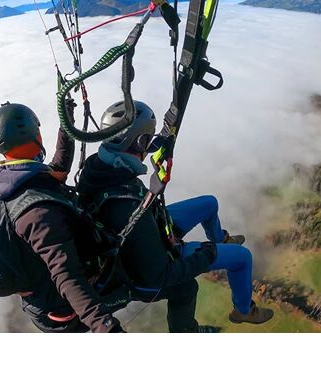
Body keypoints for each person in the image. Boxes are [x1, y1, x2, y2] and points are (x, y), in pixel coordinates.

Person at [76, 100, 274, 328]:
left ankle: (220, 238)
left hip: (149, 226)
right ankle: (243, 310)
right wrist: (207, 255)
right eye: (147, 139)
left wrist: (162, 143)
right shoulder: (126, 210)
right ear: (137, 141)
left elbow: (135, 209)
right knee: (242, 257)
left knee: (209, 203)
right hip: (147, 263)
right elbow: (159, 275)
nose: (148, 145)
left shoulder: (102, 164)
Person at [0, 100, 127, 333]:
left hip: (44, 307)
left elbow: (58, 169)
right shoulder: (37, 213)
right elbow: (68, 276)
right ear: (36, 135)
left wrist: (67, 125)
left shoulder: (13, 181)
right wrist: (105, 327)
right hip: (65, 313)